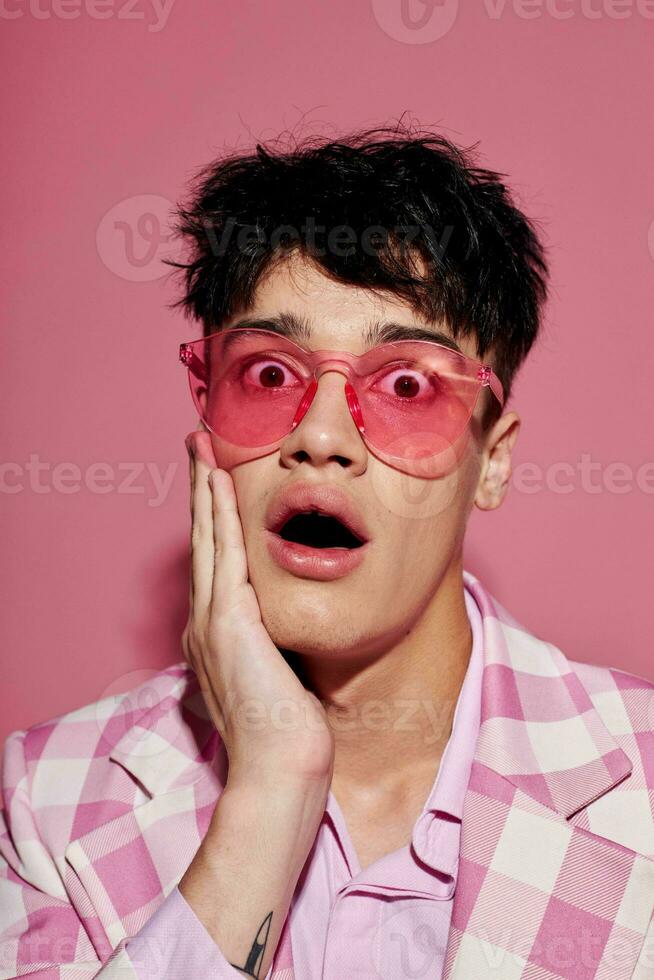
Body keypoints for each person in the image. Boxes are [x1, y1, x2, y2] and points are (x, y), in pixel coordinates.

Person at [2, 125, 653, 980]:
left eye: (409, 385)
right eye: (269, 375)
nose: (319, 436)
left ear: (491, 458)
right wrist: (273, 786)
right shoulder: (44, 799)